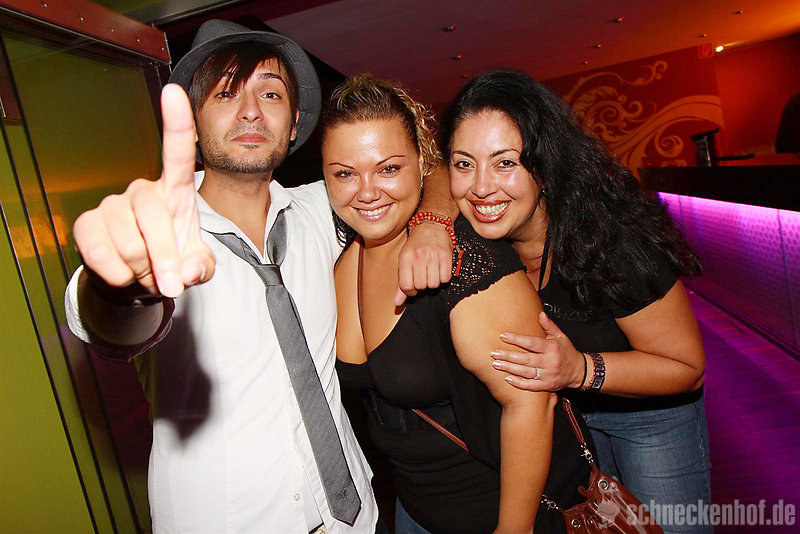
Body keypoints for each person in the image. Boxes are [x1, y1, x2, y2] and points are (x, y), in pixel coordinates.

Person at [64, 20, 454, 534]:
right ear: (193, 122)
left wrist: (433, 223)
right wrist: (125, 286)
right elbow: (105, 323)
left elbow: (425, 169)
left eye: (270, 93)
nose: (250, 110)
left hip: (355, 518)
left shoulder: (324, 209)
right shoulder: (160, 234)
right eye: (226, 92)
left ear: (293, 125)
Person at [439, 69, 709, 534]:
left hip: (649, 417)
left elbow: (687, 367)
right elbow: (422, 179)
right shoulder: (474, 239)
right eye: (464, 164)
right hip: (566, 420)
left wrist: (579, 369)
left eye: (506, 163)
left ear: (545, 166)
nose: (481, 187)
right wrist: (429, 224)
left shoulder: (612, 240)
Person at [322, 74, 591, 534]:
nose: (366, 192)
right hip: (413, 510)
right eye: (345, 173)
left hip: (494, 514)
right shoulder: (345, 257)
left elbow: (531, 404)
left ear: (421, 164)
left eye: (388, 169)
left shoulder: (467, 262)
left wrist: (515, 529)